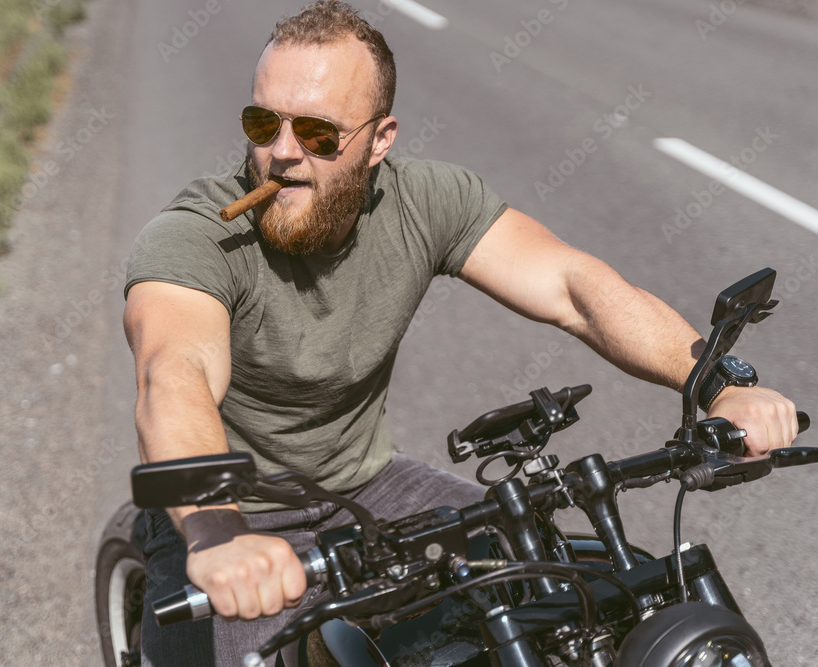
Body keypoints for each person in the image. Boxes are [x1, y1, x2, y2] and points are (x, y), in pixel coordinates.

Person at [122, 2, 799, 665]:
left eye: (318, 134)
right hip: (237, 511)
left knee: (558, 582)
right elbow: (172, 372)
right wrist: (216, 531)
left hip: (366, 487)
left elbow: (574, 288)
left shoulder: (427, 201)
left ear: (380, 140)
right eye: (263, 122)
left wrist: (716, 383)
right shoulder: (197, 235)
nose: (283, 153)